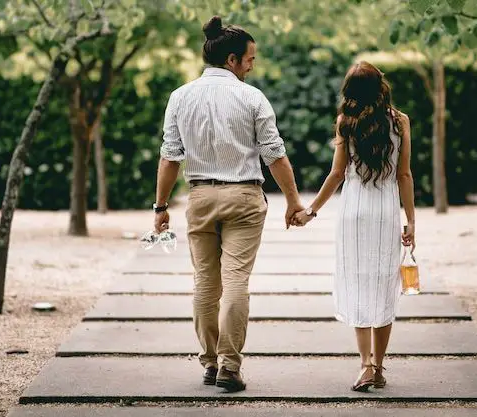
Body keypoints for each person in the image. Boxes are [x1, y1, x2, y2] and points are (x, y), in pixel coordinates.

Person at [152, 16, 304, 393]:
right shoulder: (252, 97)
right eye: (250, 59)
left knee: (205, 283)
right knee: (236, 280)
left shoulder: (180, 96)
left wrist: (160, 207)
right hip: (244, 197)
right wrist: (293, 202)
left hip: (201, 197)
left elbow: (170, 158)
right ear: (232, 60)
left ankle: (209, 363)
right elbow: (274, 155)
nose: (252, 65)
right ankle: (230, 368)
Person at [294, 61, 416, 392]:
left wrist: (311, 211)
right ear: (381, 87)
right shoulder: (400, 121)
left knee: (358, 284)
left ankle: (365, 365)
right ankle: (377, 366)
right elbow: (404, 175)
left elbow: (336, 175)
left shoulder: (345, 122)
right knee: (383, 284)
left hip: (353, 213)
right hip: (385, 213)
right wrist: (411, 221)